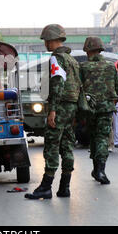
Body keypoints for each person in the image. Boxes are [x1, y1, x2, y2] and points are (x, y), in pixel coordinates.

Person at [25, 24, 81, 199]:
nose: (45, 44)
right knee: (67, 146)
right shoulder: (72, 60)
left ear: (52, 40)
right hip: (72, 107)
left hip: (61, 106)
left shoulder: (56, 58)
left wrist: (53, 110)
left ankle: (46, 187)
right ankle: (65, 187)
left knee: (51, 146)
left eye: (46, 40)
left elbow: (57, 84)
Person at [79, 36, 118, 185]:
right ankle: (100, 170)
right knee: (103, 138)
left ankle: (96, 169)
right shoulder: (111, 66)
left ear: (88, 50)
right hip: (106, 108)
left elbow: (78, 88)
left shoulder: (83, 67)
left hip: (90, 108)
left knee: (93, 137)